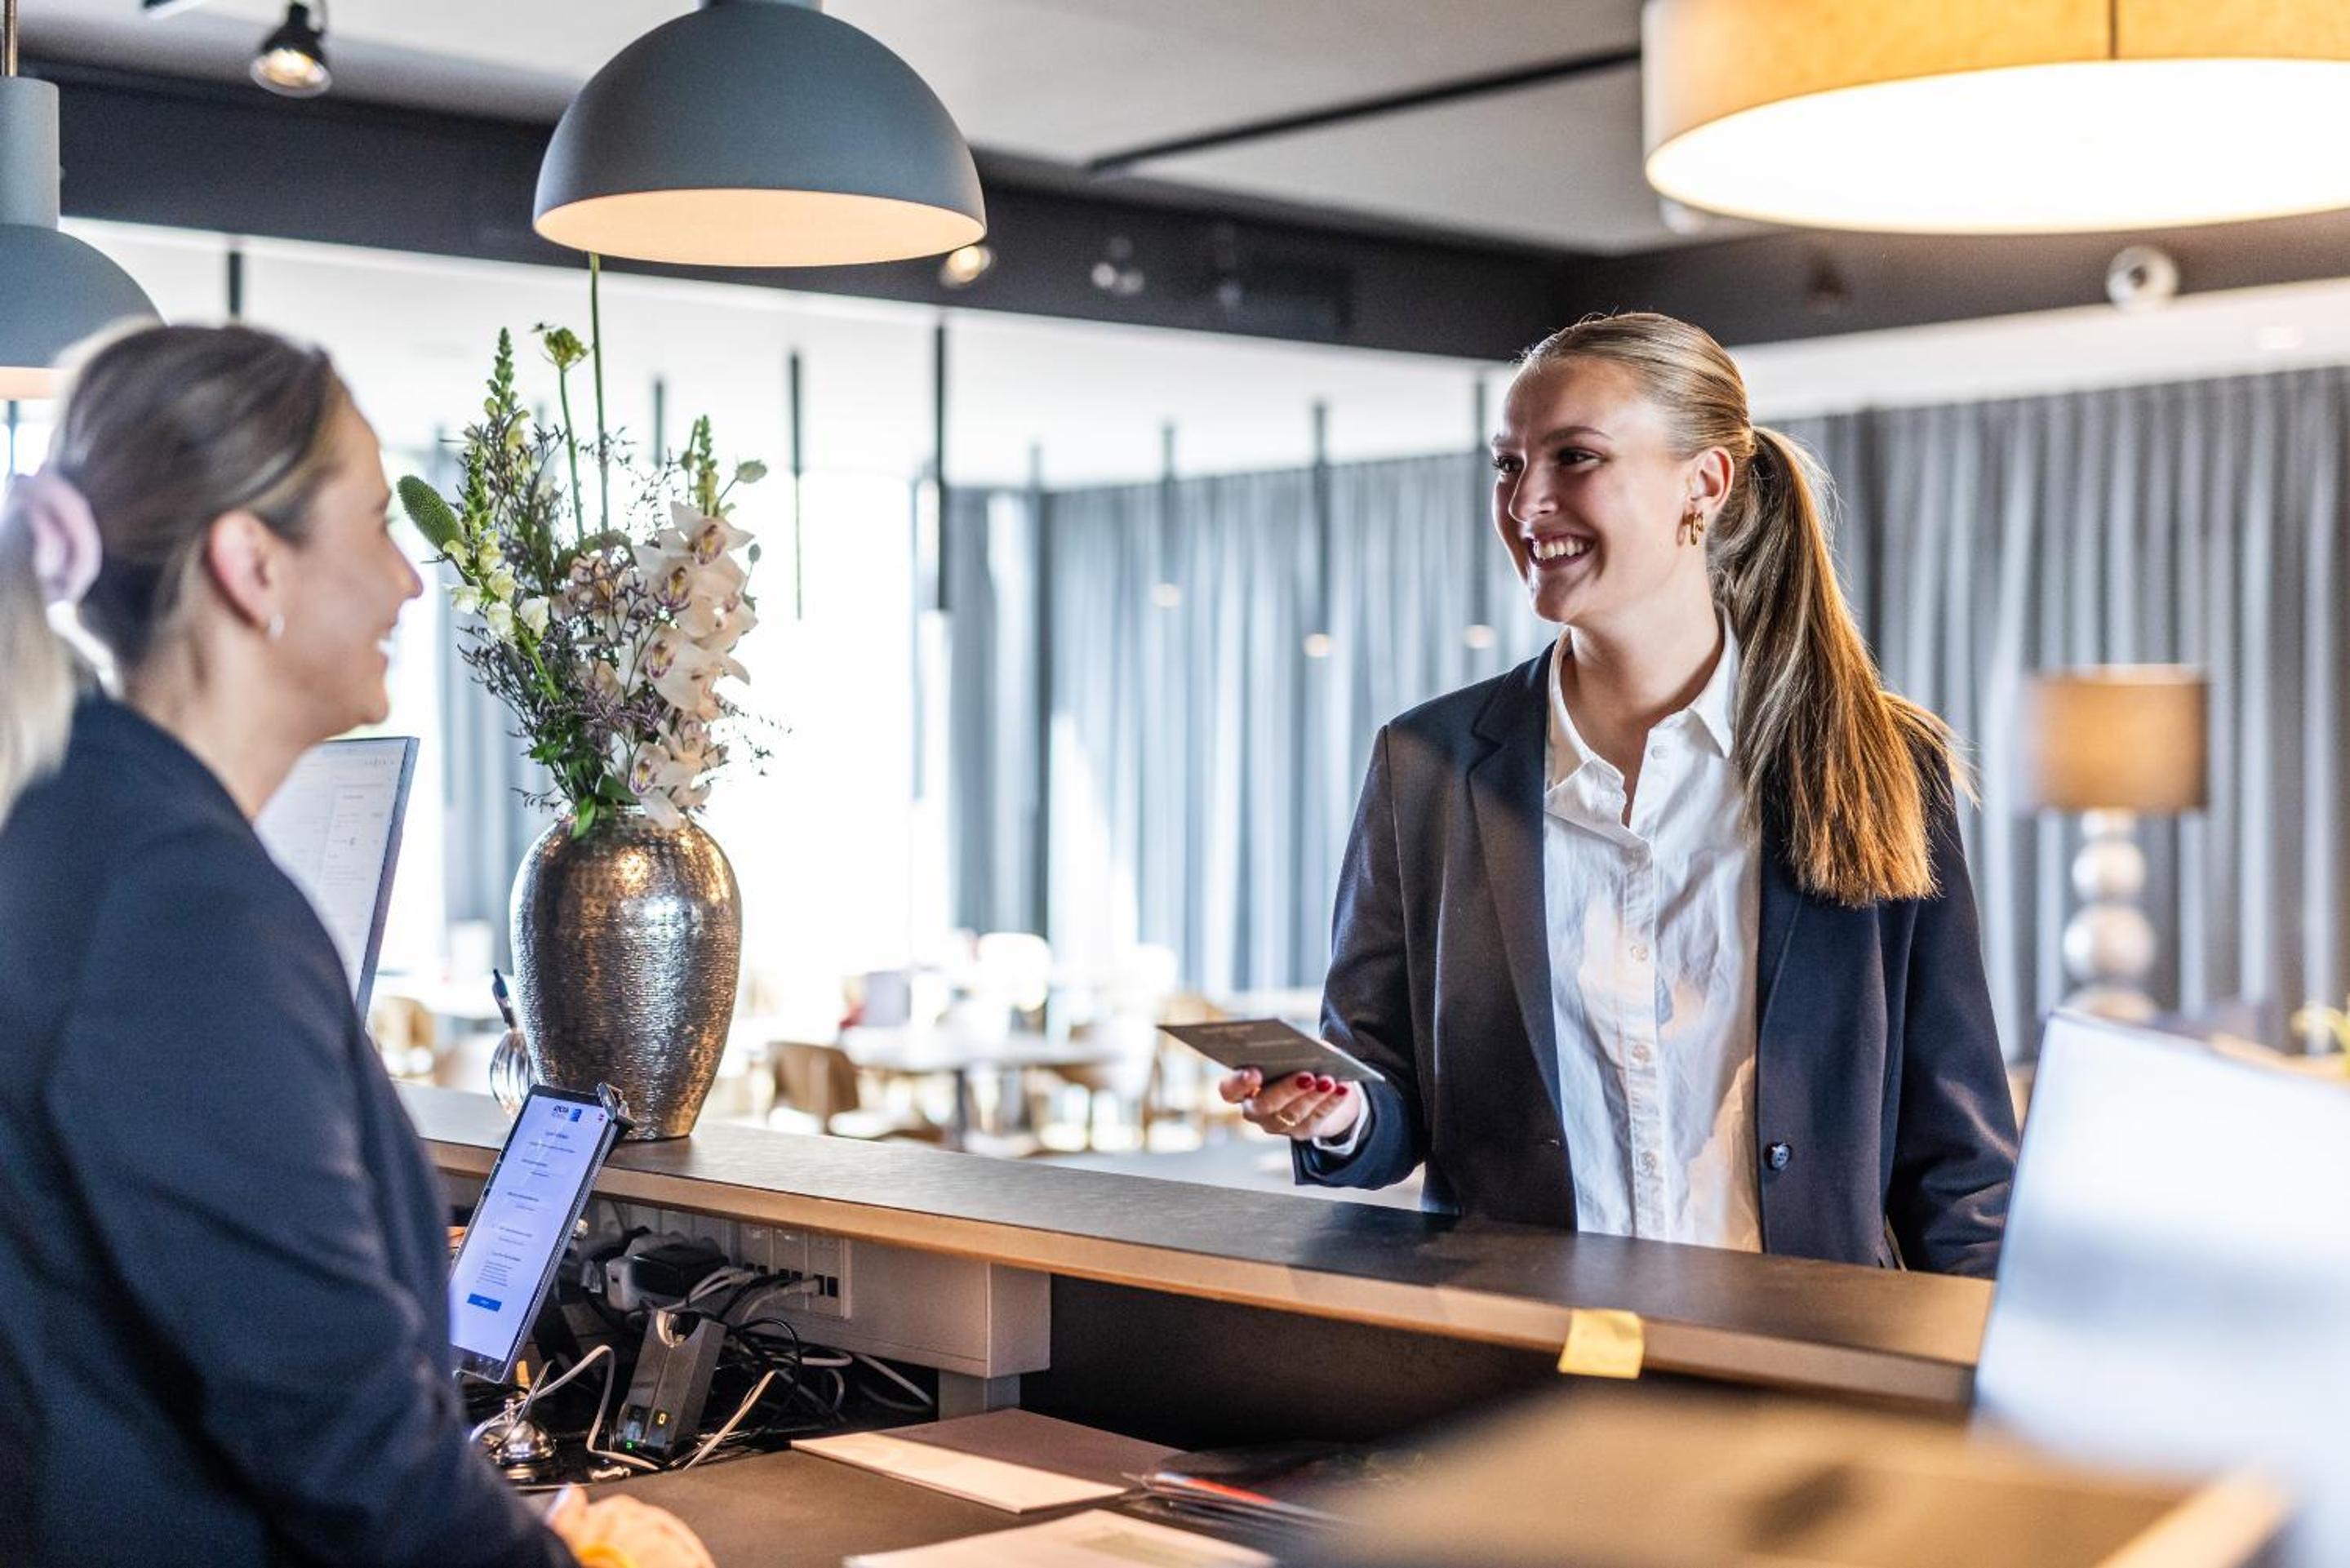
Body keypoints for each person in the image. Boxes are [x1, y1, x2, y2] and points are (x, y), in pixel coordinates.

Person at [0, 325, 702, 1564]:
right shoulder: (177, 906)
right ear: (250, 565)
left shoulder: (78, 830)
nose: (407, 583)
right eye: (376, 523)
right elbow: (342, 1440)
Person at [1219, 312, 2019, 1277]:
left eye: (1575, 457)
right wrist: (1341, 1111)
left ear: (1704, 484)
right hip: (1526, 1346)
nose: (1526, 501)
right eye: (1507, 464)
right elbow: (1385, 1088)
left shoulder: (1876, 759)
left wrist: (1981, 1355)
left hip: (1807, 1350)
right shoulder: (1426, 763)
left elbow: (1958, 1163)